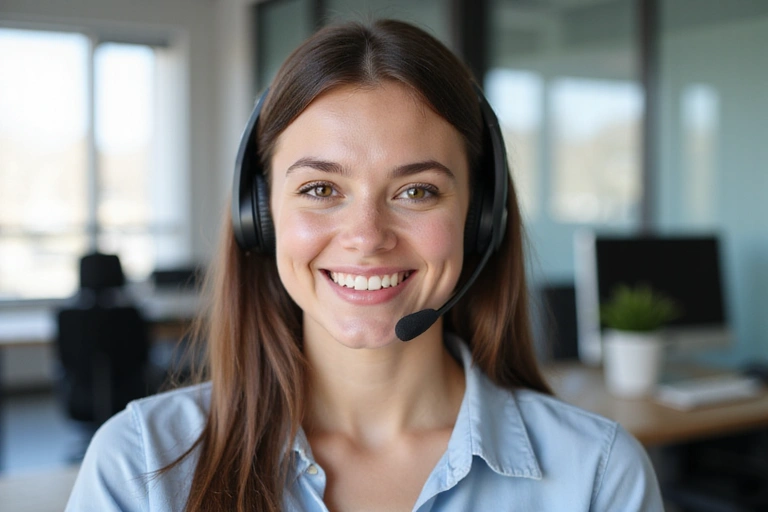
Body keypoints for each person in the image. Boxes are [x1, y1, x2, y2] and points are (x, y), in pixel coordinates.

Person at [66, 19, 663, 512]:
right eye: (321, 189)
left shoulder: (597, 477)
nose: (366, 237)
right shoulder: (142, 467)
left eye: (417, 191)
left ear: (481, 218)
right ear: (259, 215)